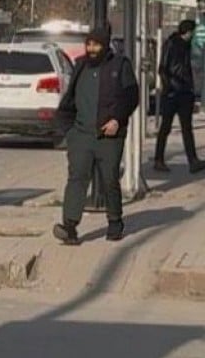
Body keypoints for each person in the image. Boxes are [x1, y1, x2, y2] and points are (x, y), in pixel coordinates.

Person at [52, 26, 140, 245]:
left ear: (105, 45)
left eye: (96, 45)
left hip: (109, 136)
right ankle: (69, 226)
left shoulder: (119, 65)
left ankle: (115, 221)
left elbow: (131, 96)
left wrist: (117, 120)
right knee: (77, 178)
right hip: (81, 134)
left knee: (109, 179)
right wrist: (69, 131)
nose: (91, 49)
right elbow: (70, 98)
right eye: (89, 44)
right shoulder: (81, 65)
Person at [153, 19, 205, 173]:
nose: (193, 35)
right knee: (166, 127)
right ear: (188, 32)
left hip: (184, 92)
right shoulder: (172, 44)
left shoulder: (185, 45)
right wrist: (169, 87)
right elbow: (163, 69)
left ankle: (193, 160)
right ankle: (159, 159)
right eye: (192, 32)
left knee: (186, 128)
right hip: (173, 92)